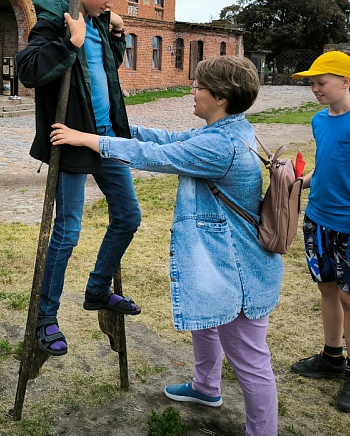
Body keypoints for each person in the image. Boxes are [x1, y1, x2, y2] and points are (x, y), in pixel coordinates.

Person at [50, 56, 283, 436]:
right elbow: (170, 139)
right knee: (207, 321)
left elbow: (157, 156)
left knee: (251, 361)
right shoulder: (226, 130)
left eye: (198, 86)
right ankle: (206, 388)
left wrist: (87, 139)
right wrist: (117, 127)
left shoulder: (221, 147)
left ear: (220, 96)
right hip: (220, 263)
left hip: (238, 271)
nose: (192, 91)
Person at [15, 0, 142, 357]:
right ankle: (45, 316)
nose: (112, 2)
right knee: (67, 233)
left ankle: (97, 289)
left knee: (128, 216)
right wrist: (69, 42)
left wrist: (115, 33)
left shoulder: (101, 21)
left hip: (105, 138)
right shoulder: (54, 21)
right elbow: (29, 70)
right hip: (71, 139)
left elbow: (105, 69)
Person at [289, 51, 350, 413]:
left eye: (322, 82)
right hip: (318, 221)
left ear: (347, 81)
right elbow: (328, 163)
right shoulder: (319, 119)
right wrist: (303, 181)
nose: (315, 89)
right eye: (312, 83)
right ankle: (331, 356)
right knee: (327, 289)